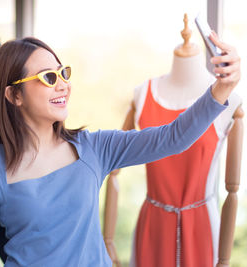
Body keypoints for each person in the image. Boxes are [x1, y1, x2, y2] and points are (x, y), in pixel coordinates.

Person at [0, 33, 240, 266]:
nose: (63, 84)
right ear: (14, 95)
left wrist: (222, 88)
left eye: (63, 73)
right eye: (48, 77)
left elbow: (173, 137)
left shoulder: (93, 148)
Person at [103, 15, 243, 267]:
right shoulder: (142, 94)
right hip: (152, 225)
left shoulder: (230, 101)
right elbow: (114, 171)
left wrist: (223, 261)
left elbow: (232, 189)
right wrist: (108, 242)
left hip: (202, 227)